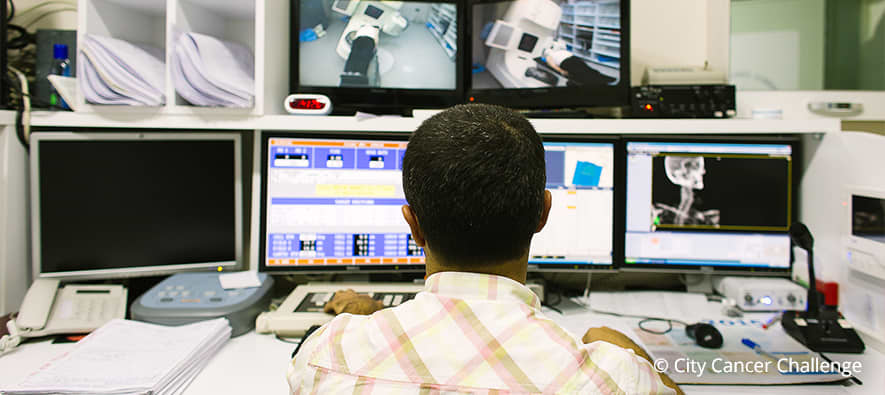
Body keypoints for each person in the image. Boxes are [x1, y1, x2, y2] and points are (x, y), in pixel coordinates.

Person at [287, 104, 682, 394]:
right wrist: (622, 347)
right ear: (543, 213)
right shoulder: (612, 379)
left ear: (414, 226)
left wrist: (375, 316)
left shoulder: (325, 354)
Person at [544, 48, 617, 86]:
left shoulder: (548, 57)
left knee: (582, 74)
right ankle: (606, 79)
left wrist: (561, 71)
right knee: (587, 70)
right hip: (574, 58)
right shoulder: (560, 51)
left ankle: (600, 83)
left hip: (566, 62)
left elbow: (553, 65)